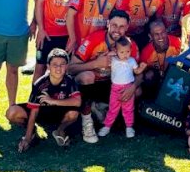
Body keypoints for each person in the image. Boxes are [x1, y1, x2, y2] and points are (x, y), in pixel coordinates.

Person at [70, 9, 139, 143]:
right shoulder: (94, 39)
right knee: (87, 76)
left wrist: (133, 86)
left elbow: (139, 71)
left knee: (137, 90)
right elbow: (71, 68)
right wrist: (95, 63)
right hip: (91, 83)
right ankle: (87, 121)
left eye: (122, 27)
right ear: (107, 23)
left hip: (113, 86)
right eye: (114, 25)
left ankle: (101, 107)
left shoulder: (130, 45)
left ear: (127, 28)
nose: (117, 30)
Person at [7, 48, 82, 152]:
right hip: (41, 113)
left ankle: (60, 130)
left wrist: (52, 101)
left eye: (62, 64)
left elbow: (77, 101)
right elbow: (34, 111)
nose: (58, 68)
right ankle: (32, 132)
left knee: (74, 113)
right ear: (48, 66)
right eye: (55, 64)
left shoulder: (70, 80)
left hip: (59, 114)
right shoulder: (40, 84)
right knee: (12, 112)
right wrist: (27, 138)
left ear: (67, 66)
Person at [99, 37, 146, 139]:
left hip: (128, 87)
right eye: (122, 52)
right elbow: (105, 58)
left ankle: (129, 127)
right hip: (115, 89)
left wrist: (141, 68)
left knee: (128, 109)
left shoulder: (132, 61)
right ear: (116, 51)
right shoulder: (113, 60)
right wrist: (111, 53)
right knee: (113, 109)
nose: (125, 54)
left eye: (128, 51)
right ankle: (107, 126)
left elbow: (136, 71)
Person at [139, 17, 182, 98]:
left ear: (166, 31)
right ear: (150, 36)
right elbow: (143, 73)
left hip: (175, 78)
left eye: (163, 32)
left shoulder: (178, 43)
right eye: (156, 34)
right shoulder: (146, 52)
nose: (161, 37)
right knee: (148, 75)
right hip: (157, 80)